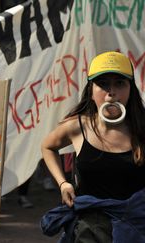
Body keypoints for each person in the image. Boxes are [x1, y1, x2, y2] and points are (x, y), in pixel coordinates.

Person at [41, 51, 145, 241]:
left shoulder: (143, 129)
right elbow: (48, 147)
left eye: (119, 83)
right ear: (91, 90)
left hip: (136, 230)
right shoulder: (76, 127)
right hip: (88, 231)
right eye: (103, 84)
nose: (111, 92)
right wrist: (63, 184)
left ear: (131, 89)